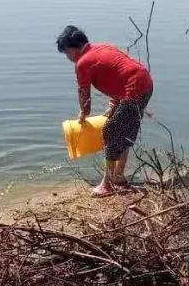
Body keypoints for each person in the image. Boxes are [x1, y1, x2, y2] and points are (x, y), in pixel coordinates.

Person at [57, 25, 154, 197]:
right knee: (125, 132)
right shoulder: (102, 47)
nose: (67, 57)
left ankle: (108, 184)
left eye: (67, 53)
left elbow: (84, 93)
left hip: (133, 90)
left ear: (73, 48)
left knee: (110, 131)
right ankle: (118, 177)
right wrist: (114, 102)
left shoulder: (82, 63)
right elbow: (119, 72)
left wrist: (83, 113)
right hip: (145, 83)